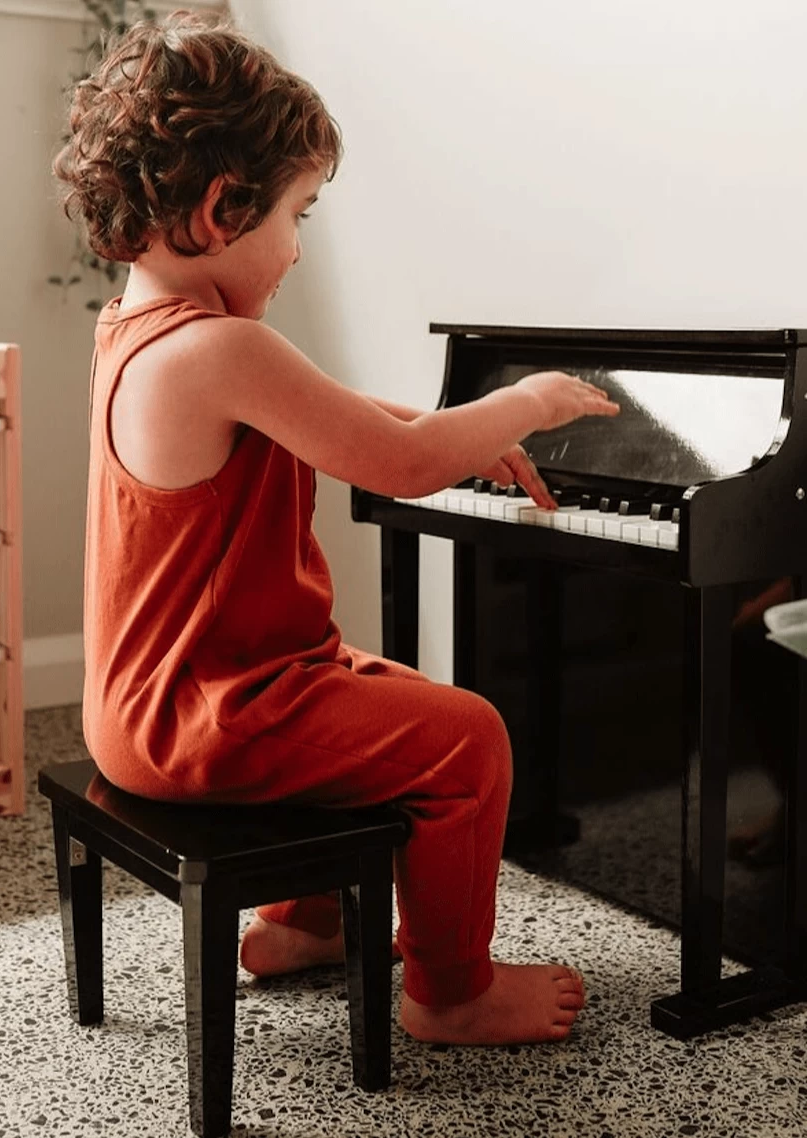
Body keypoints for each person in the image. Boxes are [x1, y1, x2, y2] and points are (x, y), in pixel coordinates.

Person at [54, 11, 619, 1047]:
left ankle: (301, 925)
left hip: (150, 701)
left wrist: (447, 426)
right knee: (465, 738)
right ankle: (449, 992)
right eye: (298, 214)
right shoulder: (222, 346)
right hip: (208, 716)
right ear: (224, 209)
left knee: (362, 685)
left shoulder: (138, 329)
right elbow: (394, 463)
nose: (299, 247)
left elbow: (341, 417)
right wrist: (523, 404)